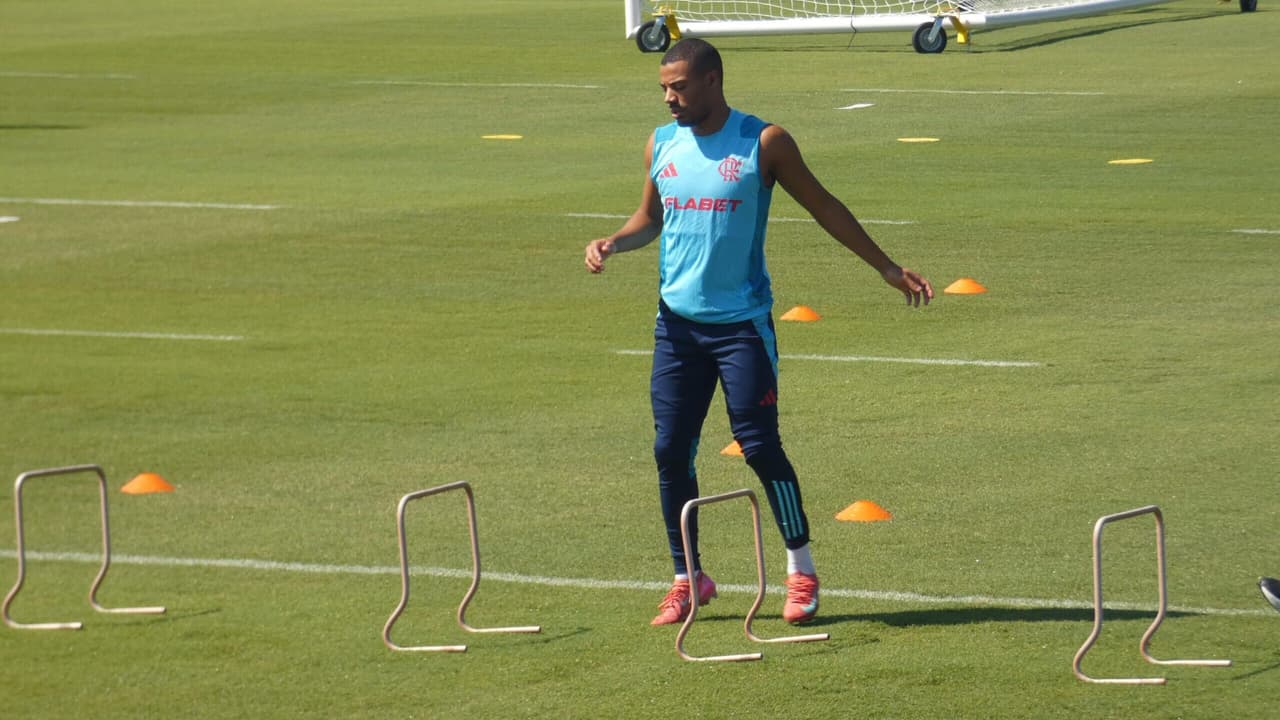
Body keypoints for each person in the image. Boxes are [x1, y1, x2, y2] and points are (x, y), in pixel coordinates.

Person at [583, 38, 933, 627]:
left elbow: (823, 204)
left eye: (680, 87)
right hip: (676, 328)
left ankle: (802, 571)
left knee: (760, 446)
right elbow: (651, 218)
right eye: (664, 88)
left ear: (714, 81)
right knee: (670, 449)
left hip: (741, 328)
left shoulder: (763, 142)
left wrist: (886, 267)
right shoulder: (661, 143)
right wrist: (614, 242)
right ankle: (687, 577)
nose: (670, 98)